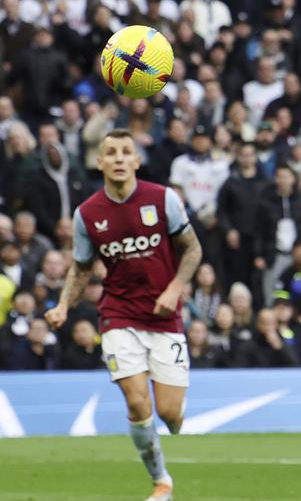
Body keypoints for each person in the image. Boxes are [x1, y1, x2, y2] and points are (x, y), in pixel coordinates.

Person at [45, 129, 203, 501]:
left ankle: (169, 427)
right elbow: (82, 267)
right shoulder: (87, 214)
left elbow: (193, 249)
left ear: (136, 161)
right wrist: (64, 305)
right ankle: (161, 480)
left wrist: (175, 288)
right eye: (110, 152)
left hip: (165, 318)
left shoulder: (164, 199)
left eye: (125, 152)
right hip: (118, 316)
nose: (118, 158)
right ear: (99, 162)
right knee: (136, 402)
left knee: (171, 414)